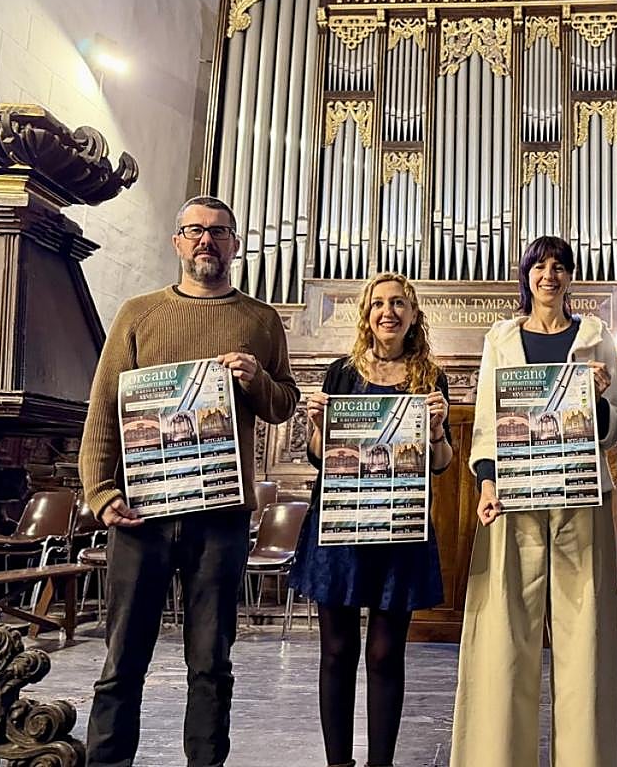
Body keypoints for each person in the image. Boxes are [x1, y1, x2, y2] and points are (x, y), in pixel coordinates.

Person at [79, 195, 300, 767]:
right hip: (141, 513)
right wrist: (101, 494)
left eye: (219, 231)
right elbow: (104, 408)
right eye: (195, 230)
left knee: (210, 661)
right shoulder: (138, 313)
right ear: (177, 241)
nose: (207, 240)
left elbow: (283, 405)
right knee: (123, 660)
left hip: (221, 516)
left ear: (236, 244)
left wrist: (255, 380)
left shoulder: (260, 319)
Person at [450, 235, 617, 767]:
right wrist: (486, 482)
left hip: (581, 493)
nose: (549, 275)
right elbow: (485, 421)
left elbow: (612, 429)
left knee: (586, 633)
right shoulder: (500, 338)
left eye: (560, 266)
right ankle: (495, 757)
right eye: (540, 266)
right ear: (525, 276)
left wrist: (594, 399)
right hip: (514, 498)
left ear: (571, 276)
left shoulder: (596, 338)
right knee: (503, 635)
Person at [289, 272, 453, 767]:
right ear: (367, 314)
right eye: (379, 303)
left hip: (400, 526)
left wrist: (440, 428)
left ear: (413, 313)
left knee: (385, 654)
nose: (389, 311)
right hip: (340, 524)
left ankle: (381, 762)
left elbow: (441, 462)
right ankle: (338, 763)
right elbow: (320, 456)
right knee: (337, 651)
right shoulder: (341, 372)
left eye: (399, 302)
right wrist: (318, 427)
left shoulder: (431, 378)